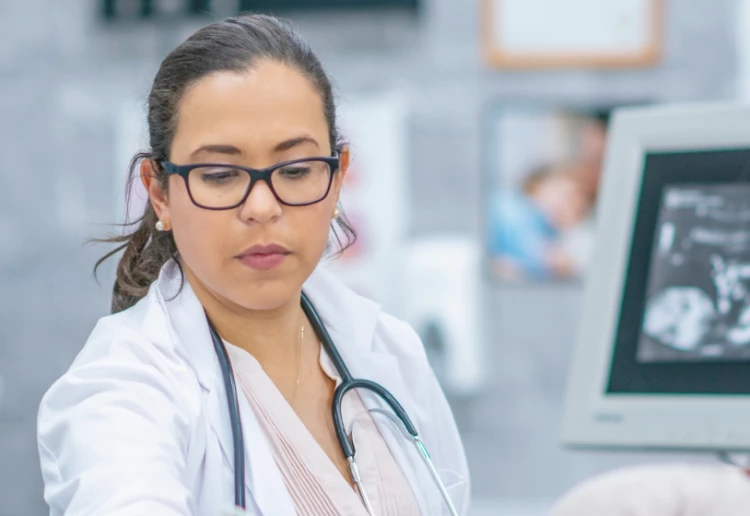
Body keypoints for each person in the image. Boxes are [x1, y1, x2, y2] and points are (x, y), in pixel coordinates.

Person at [36, 14, 469, 516]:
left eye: (296, 170)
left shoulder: (391, 352)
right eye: (220, 174)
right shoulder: (120, 393)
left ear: (337, 178)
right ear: (159, 193)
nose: (262, 207)